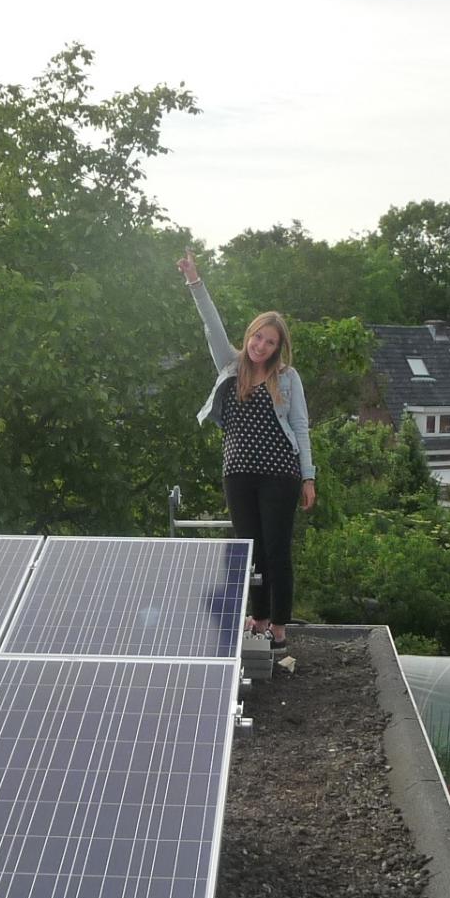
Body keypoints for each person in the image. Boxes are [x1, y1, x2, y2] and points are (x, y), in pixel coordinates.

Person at [178, 251, 315, 650]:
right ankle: (258, 618)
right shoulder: (231, 366)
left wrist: (308, 476)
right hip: (237, 472)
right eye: (257, 336)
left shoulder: (287, 379)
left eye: (269, 342)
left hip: (280, 474)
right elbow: (211, 326)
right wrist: (194, 281)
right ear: (249, 336)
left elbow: (302, 427)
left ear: (277, 348)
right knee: (247, 548)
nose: (261, 345)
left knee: (276, 549)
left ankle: (279, 627)